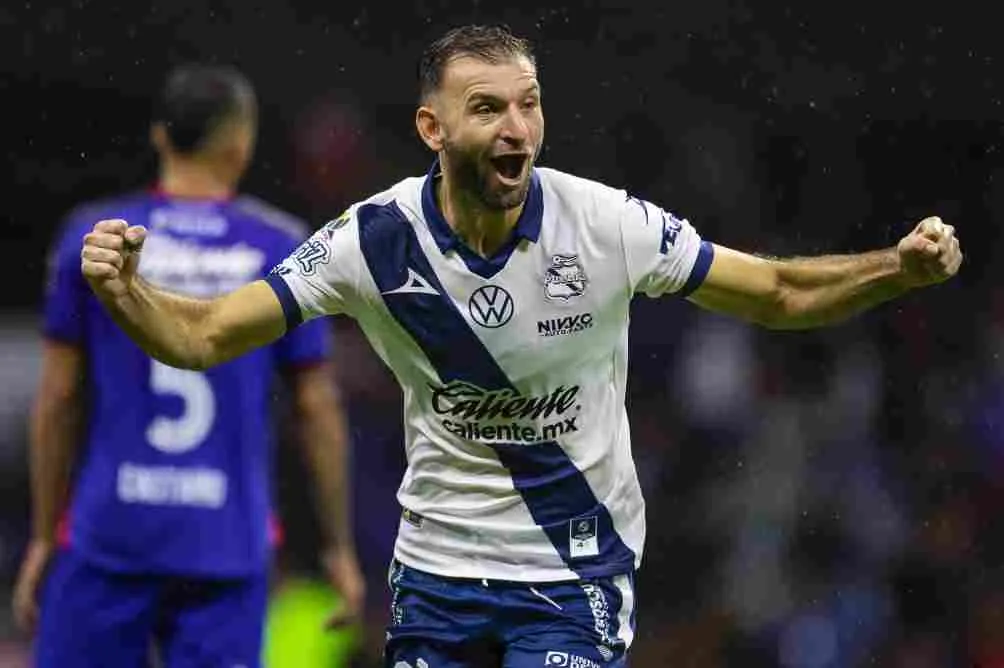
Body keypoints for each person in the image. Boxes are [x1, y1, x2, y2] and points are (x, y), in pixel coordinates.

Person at [77, 25, 963, 668]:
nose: (517, 129)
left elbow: (776, 291)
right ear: (433, 130)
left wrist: (897, 268)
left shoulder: (606, 223)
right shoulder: (370, 241)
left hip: (573, 574)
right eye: (488, 108)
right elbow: (203, 335)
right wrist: (127, 292)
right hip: (436, 577)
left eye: (529, 105)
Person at [14, 64, 364, 667]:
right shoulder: (278, 244)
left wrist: (45, 535)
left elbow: (59, 398)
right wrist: (337, 545)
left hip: (110, 530)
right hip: (226, 539)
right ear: (241, 142)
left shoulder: (95, 240)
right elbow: (317, 407)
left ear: (160, 136)